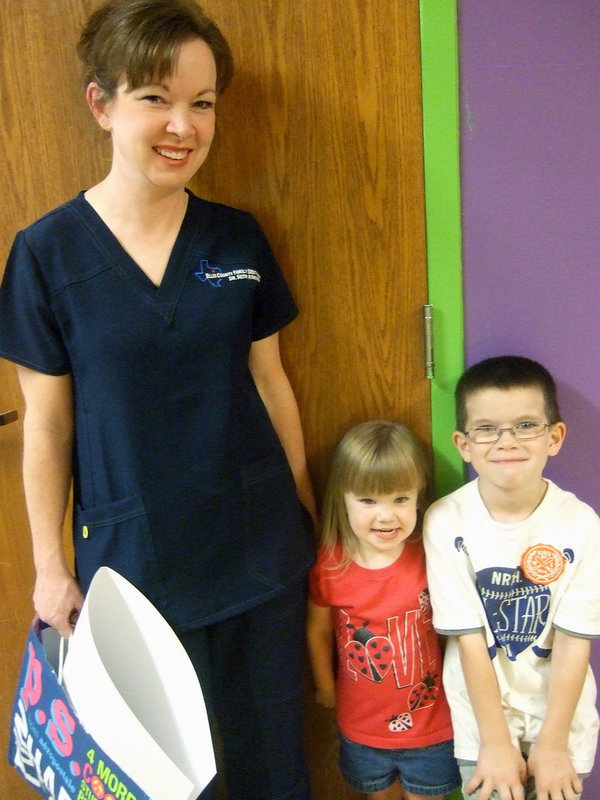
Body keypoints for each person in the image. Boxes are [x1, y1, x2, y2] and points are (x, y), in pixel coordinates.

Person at [0, 1, 316, 798]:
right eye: (156, 98)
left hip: (258, 552)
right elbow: (46, 424)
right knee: (162, 779)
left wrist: (306, 516)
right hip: (134, 568)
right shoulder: (45, 254)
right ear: (101, 105)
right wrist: (47, 568)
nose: (184, 125)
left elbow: (269, 381)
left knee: (270, 766)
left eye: (202, 103)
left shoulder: (237, 237)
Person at [423, 355, 600, 800]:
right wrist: (495, 743)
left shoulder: (582, 524)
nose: (507, 442)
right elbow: (468, 639)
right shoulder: (445, 521)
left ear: (554, 436)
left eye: (526, 425)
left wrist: (554, 744)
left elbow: (575, 640)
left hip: (562, 724)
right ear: (463, 444)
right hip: (481, 726)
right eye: (487, 428)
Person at [306, 420, 461, 800]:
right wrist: (325, 687)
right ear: (342, 497)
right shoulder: (331, 564)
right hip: (362, 730)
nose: (386, 516)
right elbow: (317, 631)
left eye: (400, 499)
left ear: (418, 496)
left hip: (433, 727)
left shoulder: (430, 551)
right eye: (368, 500)